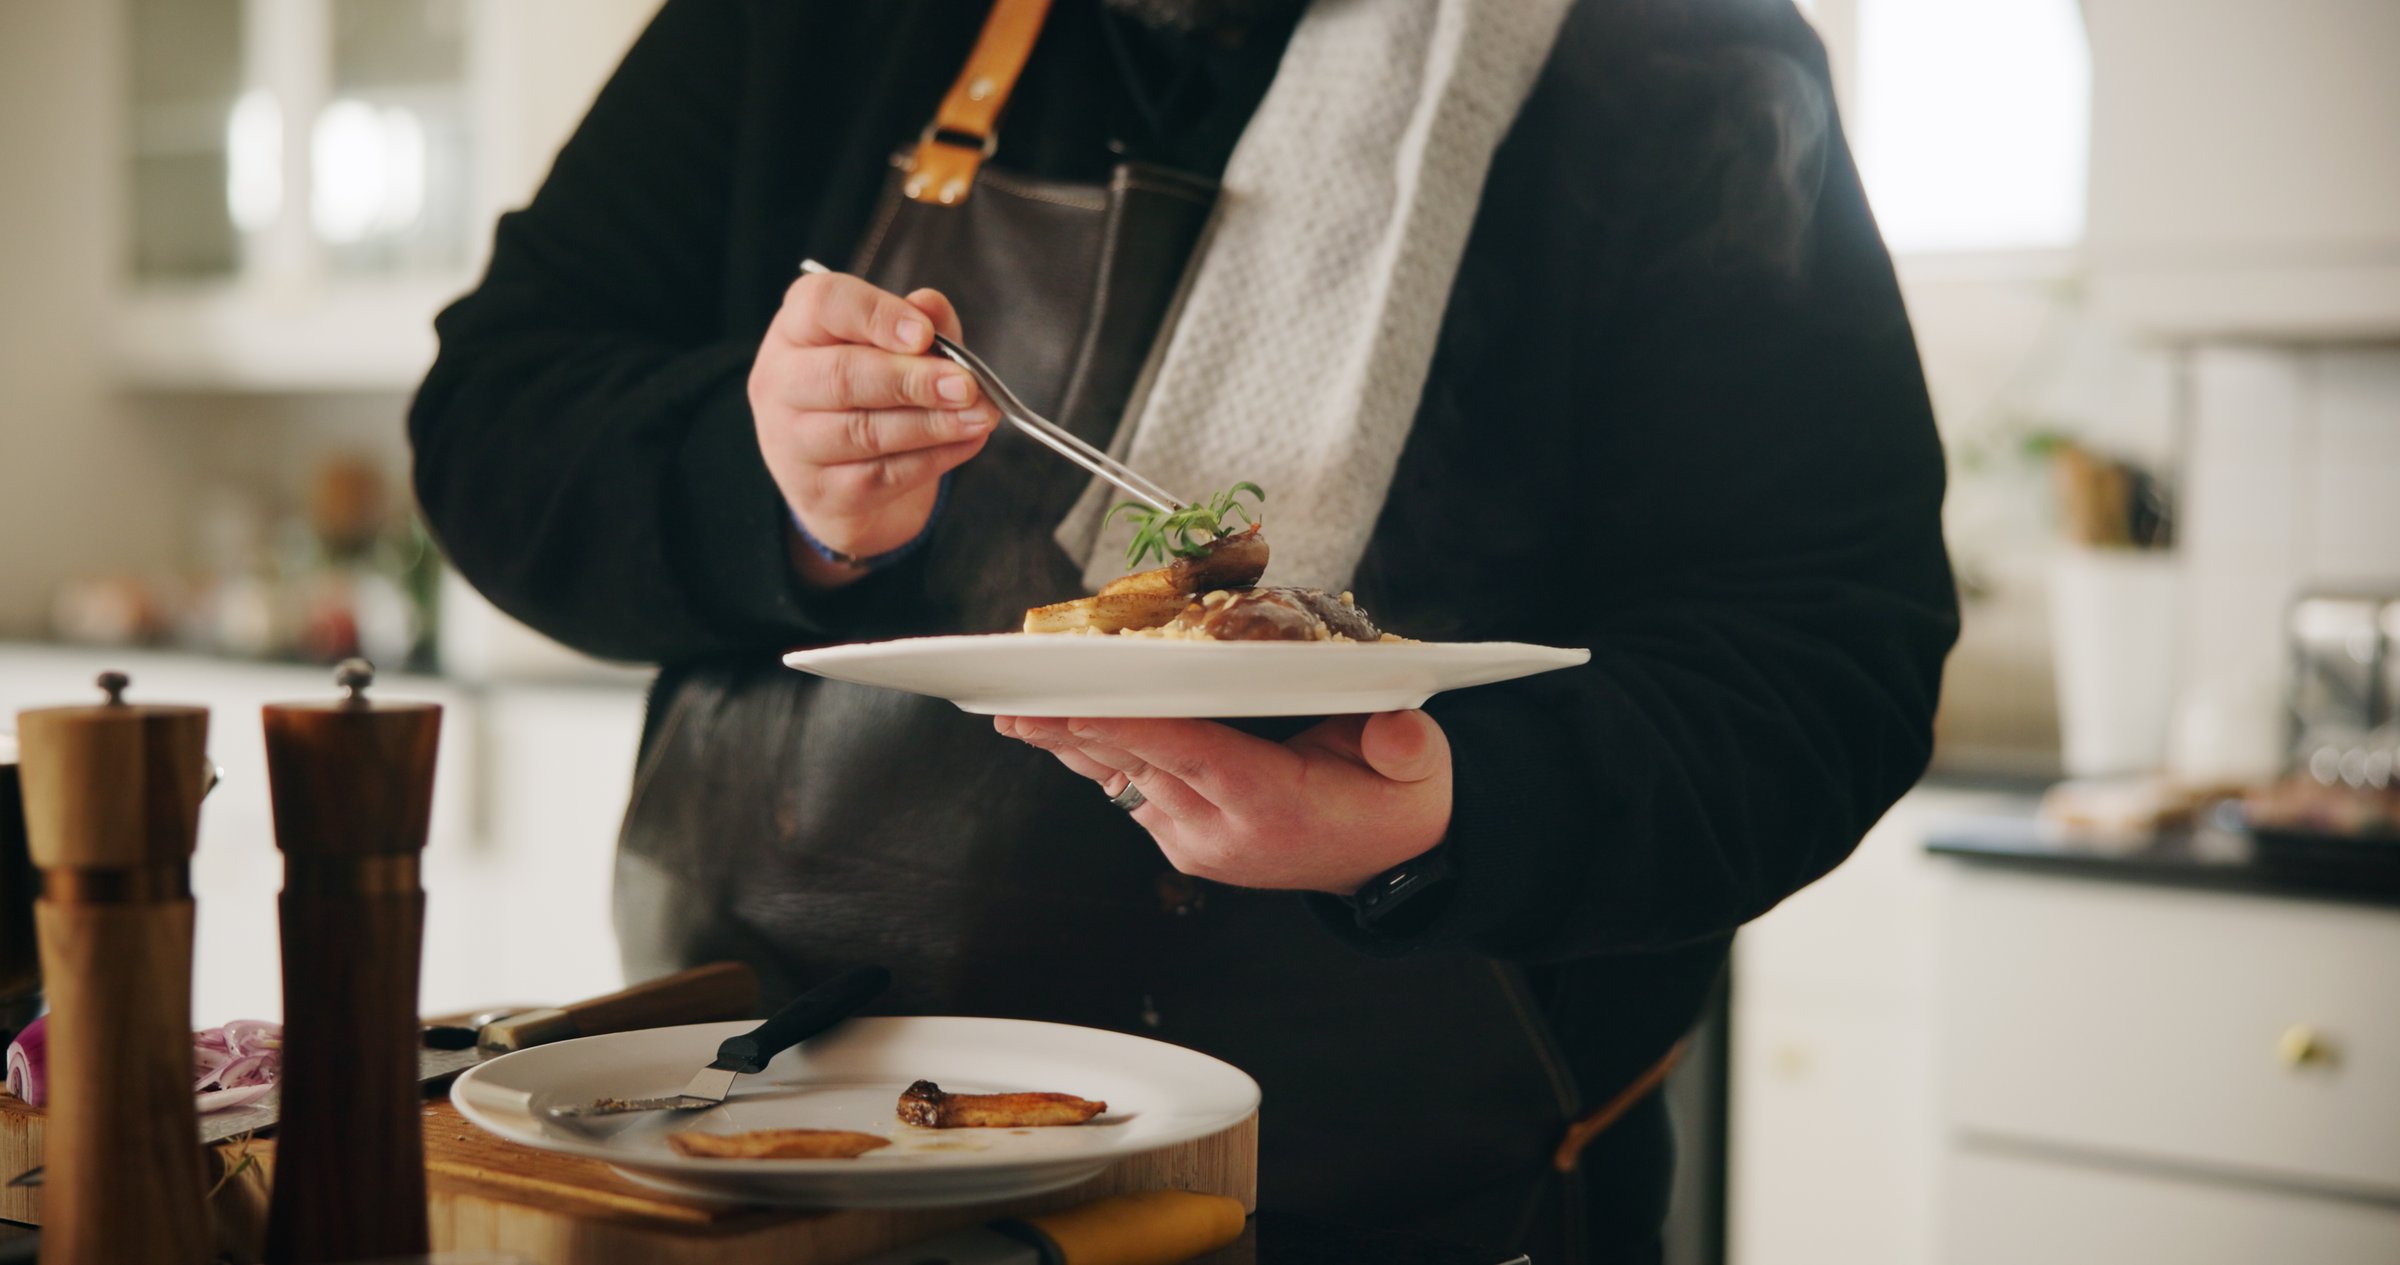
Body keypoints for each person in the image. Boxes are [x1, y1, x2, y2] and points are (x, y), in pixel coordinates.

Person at [409, 0, 1958, 1259]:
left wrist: (1455, 814)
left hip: (1411, 1206)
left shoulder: (1681, 55)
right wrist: (765, 479)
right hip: (778, 1159)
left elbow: (1827, 654)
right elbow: (493, 423)